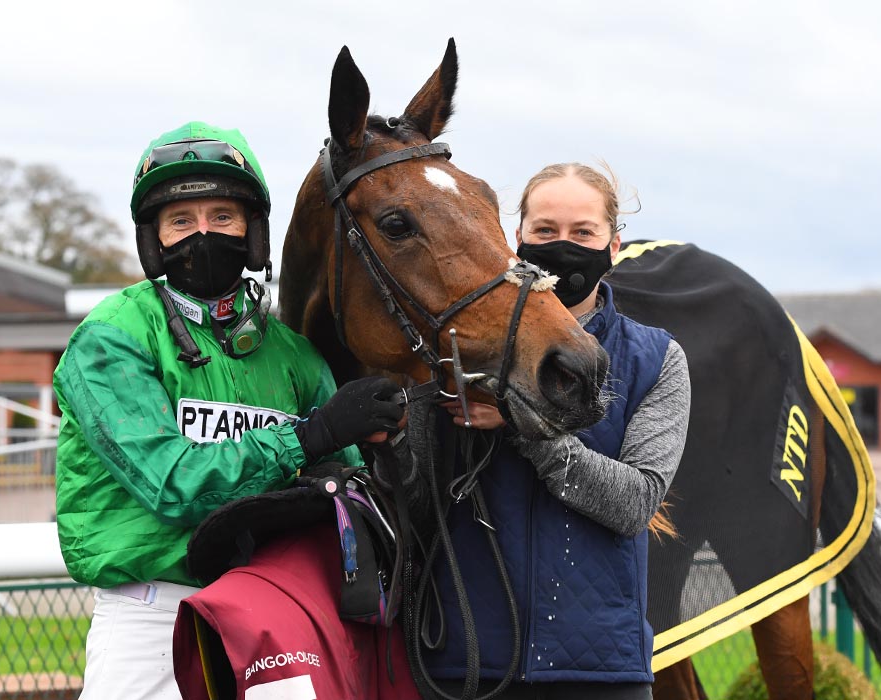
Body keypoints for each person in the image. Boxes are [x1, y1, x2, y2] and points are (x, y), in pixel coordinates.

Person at [53, 121, 403, 699]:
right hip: (152, 615)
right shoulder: (111, 339)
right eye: (181, 220)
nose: (203, 233)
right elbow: (172, 484)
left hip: (277, 606)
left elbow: (349, 487)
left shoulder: (293, 353)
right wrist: (309, 435)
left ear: (252, 231)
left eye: (222, 216)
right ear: (153, 239)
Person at [425, 163, 691, 699]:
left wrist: (523, 421)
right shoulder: (454, 347)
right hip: (465, 662)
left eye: (582, 232)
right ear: (516, 239)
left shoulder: (657, 359)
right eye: (545, 231)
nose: (562, 246)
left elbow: (634, 505)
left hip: (600, 672)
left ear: (613, 245)